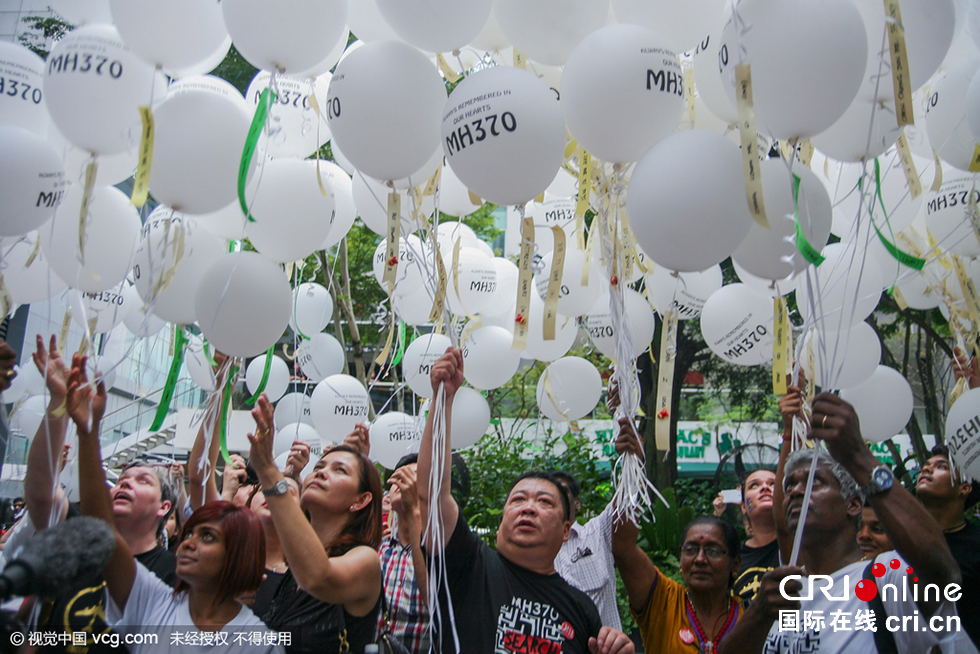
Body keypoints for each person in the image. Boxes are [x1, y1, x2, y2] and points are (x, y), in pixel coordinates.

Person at [721, 391, 974, 654]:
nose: (796, 491)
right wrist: (758, 615)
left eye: (814, 482)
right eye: (791, 484)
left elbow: (943, 574)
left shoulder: (884, 576)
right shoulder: (782, 593)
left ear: (853, 504)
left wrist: (858, 456)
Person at [418, 347, 634, 654]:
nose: (529, 507)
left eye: (545, 502)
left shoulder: (581, 609)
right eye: (518, 499)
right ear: (501, 520)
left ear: (565, 529)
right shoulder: (469, 566)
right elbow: (431, 492)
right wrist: (443, 400)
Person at [64, 353, 281, 654]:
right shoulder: (153, 602)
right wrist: (87, 432)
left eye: (208, 536)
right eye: (190, 532)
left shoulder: (259, 644)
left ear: (239, 554)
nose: (187, 543)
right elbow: (100, 531)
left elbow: (199, 474)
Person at [13, 337, 179, 654]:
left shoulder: (171, 575)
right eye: (122, 479)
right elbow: (40, 492)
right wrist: (59, 402)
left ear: (164, 507)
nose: (125, 484)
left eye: (142, 480)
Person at [248, 394, 384, 653]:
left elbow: (320, 577)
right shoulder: (292, 571)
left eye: (339, 470)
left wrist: (267, 470)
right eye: (319, 465)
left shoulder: (365, 561)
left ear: (360, 500)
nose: (321, 471)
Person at [614, 426, 744, 654]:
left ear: (735, 564)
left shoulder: (751, 617)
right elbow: (623, 546)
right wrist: (632, 466)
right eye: (691, 549)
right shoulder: (662, 602)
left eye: (713, 551)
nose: (700, 559)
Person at [916, 443, 980, 646]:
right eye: (925, 465)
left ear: (964, 487)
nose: (927, 469)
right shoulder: (900, 540)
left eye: (941, 466)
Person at [552, 467, 623, 630]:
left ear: (577, 503)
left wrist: (632, 459)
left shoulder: (597, 532)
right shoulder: (537, 551)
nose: (556, 497)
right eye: (549, 495)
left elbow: (625, 503)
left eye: (562, 491)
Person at [378, 454, 430, 654]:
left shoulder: (442, 557)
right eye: (399, 476)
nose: (404, 480)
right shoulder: (376, 550)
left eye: (415, 475)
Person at [247, 474, 303, 617]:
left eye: (286, 491)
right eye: (264, 489)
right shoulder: (227, 556)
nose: (273, 494)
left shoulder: (305, 575)